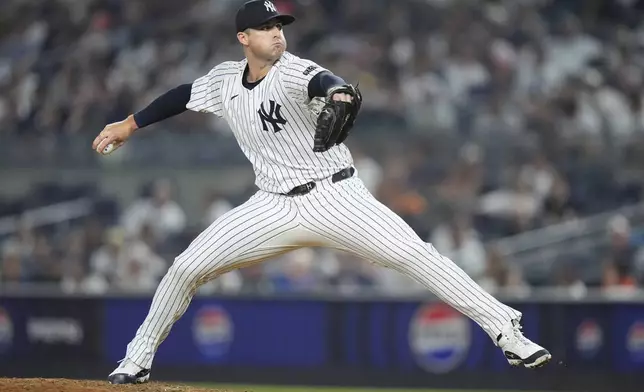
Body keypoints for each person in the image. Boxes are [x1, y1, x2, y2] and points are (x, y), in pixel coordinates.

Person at [93, 0, 551, 384]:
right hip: (272, 205)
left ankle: (507, 331)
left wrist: (338, 95)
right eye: (266, 27)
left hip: (337, 197)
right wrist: (130, 125)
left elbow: (326, 83)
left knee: (419, 256)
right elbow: (181, 94)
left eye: (279, 26)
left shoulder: (293, 70)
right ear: (243, 38)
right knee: (185, 267)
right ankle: (137, 359)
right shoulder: (224, 80)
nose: (276, 34)